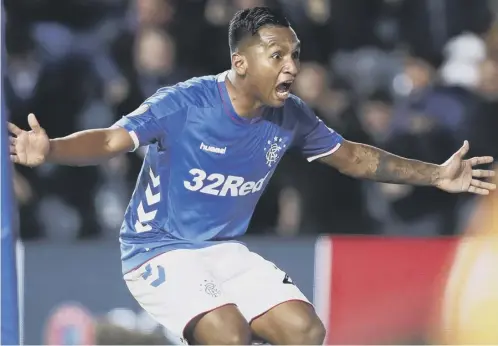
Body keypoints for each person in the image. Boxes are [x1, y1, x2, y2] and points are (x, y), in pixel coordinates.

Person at [8, 7, 496, 345]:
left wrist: (436, 175)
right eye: (276, 55)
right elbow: (112, 141)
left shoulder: (292, 116)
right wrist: (50, 148)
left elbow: (352, 157)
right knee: (226, 334)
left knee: (305, 331)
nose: (291, 67)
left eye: (295, 55)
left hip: (222, 250)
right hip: (157, 249)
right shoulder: (185, 104)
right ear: (240, 62)